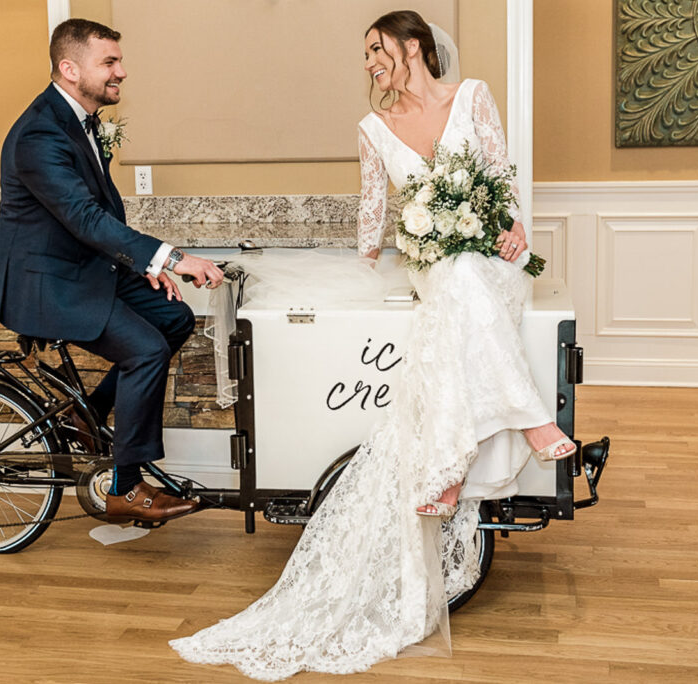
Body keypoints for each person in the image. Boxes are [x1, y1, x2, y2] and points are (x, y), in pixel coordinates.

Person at [170, 10, 575, 680]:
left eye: (375, 48)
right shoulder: (372, 129)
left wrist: (513, 230)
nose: (368, 62)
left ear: (413, 46)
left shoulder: (472, 96)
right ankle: (529, 420)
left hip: (490, 259)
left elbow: (500, 178)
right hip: (431, 260)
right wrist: (360, 274)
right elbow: (373, 212)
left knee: (474, 276)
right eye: (364, 54)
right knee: (454, 278)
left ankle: (449, 467)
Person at [0, 19, 224, 524]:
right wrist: (172, 258)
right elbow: (83, 217)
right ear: (70, 68)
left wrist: (141, 267)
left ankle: (87, 415)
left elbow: (102, 216)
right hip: (47, 285)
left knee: (174, 319)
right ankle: (125, 487)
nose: (122, 72)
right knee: (145, 350)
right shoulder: (39, 132)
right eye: (109, 63)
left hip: (87, 270)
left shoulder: (78, 120)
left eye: (119, 61)